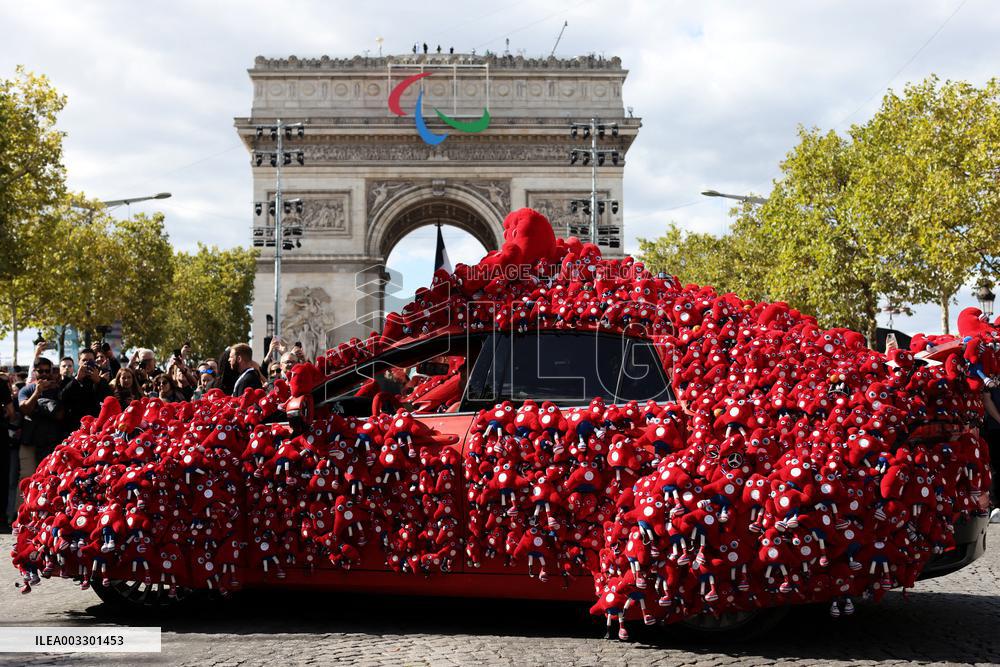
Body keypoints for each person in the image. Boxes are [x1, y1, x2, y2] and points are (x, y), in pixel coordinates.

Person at [17, 357, 65, 484]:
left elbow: (61, 415)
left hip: (53, 442)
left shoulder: (59, 389)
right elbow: (24, 409)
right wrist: (36, 393)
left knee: (52, 480)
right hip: (31, 443)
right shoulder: (27, 389)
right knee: (28, 479)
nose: (44, 374)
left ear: (51, 371)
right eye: (40, 371)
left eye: (47, 371)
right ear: (35, 372)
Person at [60, 348, 111, 432]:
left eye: (90, 360)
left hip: (96, 427)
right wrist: (77, 380)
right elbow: (62, 398)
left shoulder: (101, 381)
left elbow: (108, 400)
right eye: (84, 360)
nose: (87, 363)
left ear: (95, 362)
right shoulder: (69, 381)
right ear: (79, 362)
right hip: (75, 428)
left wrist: (98, 381)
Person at [982, 388, 1000, 523]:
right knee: (996, 467)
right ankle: (997, 505)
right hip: (995, 428)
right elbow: (987, 400)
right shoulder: (991, 373)